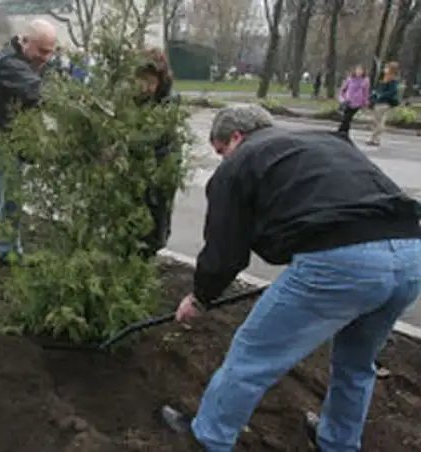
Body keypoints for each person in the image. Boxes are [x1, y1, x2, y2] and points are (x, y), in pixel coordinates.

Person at [160, 105, 421, 452]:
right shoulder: (326, 142)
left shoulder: (240, 163)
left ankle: (207, 438)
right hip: (409, 252)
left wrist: (200, 298)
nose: (223, 160)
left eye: (221, 151)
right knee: (357, 364)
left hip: (342, 262)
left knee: (252, 356)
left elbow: (226, 250)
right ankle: (339, 443)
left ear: (236, 137)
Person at [0, 19, 57, 291]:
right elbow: (40, 93)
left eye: (51, 51)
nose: (46, 58)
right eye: (42, 51)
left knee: (13, 203)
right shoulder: (9, 63)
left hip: (10, 144)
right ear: (24, 41)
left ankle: (8, 251)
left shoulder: (27, 61)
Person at [132, 48, 181, 259]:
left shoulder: (169, 100)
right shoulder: (130, 97)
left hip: (162, 163)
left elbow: (154, 136)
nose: (147, 88)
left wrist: (121, 144)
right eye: (142, 81)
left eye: (152, 82)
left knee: (156, 218)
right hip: (133, 169)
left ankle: (149, 254)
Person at [366, 61, 400, 147]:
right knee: (376, 121)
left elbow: (392, 92)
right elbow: (379, 89)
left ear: (391, 70)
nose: (385, 69)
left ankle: (374, 138)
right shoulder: (385, 78)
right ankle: (375, 138)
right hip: (379, 102)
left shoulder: (393, 81)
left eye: (387, 67)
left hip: (384, 103)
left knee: (379, 122)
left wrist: (381, 95)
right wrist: (375, 94)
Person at [337, 65, 370, 136]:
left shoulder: (365, 80)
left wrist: (365, 103)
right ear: (355, 71)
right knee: (346, 119)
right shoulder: (350, 79)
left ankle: (340, 132)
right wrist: (341, 99)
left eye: (361, 70)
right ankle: (344, 133)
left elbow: (366, 93)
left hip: (357, 103)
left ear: (363, 72)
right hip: (347, 101)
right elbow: (343, 89)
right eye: (358, 70)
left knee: (347, 118)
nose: (359, 72)